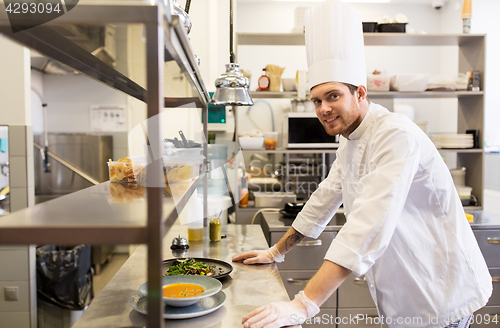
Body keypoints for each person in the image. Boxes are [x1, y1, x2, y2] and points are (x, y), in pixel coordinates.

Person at [231, 1, 492, 328]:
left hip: (441, 293)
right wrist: (277, 251)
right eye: (317, 100)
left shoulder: (395, 136)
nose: (323, 108)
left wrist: (303, 304)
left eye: (333, 96)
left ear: (361, 93)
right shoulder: (350, 137)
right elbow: (327, 195)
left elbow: (367, 226)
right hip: (407, 293)